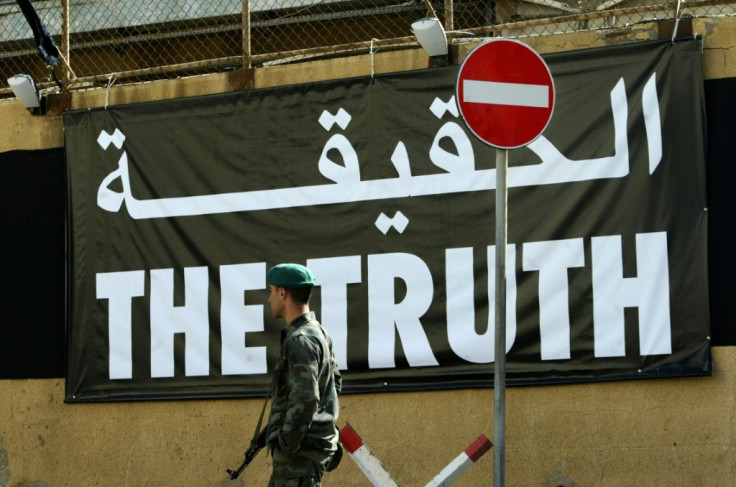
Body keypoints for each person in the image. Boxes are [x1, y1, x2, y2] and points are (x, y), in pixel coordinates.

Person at [264, 263, 342, 487]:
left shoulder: (301, 340)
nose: (269, 299)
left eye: (271, 291)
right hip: (304, 456)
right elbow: (335, 384)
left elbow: (305, 400)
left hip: (299, 459)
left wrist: (285, 446)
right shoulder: (318, 332)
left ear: (282, 293)